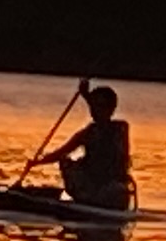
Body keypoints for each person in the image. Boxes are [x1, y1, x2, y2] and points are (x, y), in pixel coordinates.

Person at [47, 84, 135, 213]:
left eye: (100, 106)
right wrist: (37, 162)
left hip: (110, 190)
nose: (93, 111)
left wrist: (86, 96)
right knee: (66, 160)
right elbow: (63, 151)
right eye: (93, 107)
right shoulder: (89, 132)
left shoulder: (120, 128)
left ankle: (88, 198)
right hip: (96, 185)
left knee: (72, 164)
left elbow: (104, 125)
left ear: (111, 109)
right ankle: (84, 196)